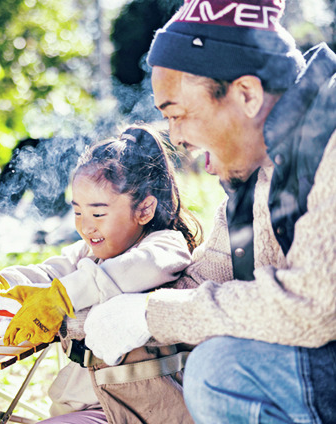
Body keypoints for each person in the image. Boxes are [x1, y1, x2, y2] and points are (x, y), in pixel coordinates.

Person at [83, 0, 336, 423]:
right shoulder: (257, 175)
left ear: (247, 94)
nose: (175, 138)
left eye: (177, 115)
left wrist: (150, 314)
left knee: (223, 371)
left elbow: (312, 305)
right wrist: (80, 310)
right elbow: (204, 286)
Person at [0, 124, 201, 423]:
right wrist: (4, 282)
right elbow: (50, 271)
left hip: (136, 412)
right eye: (78, 212)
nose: (86, 226)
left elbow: (139, 267)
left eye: (98, 213)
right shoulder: (87, 253)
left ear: (144, 210)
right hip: (87, 408)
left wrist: (64, 296)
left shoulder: (166, 245)